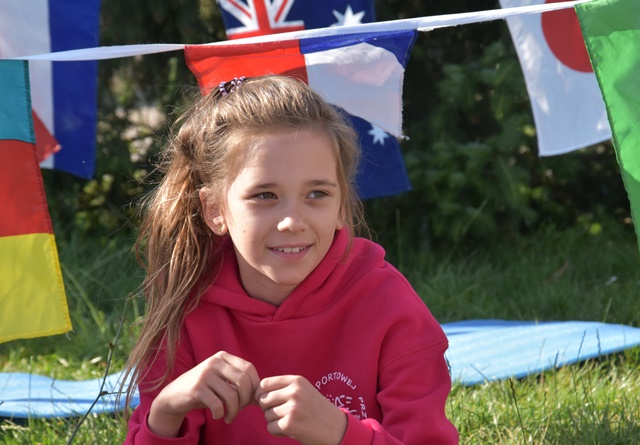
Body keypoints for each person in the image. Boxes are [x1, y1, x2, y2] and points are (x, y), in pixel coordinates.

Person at [122, 74, 459, 444]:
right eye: (265, 196)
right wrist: (167, 411)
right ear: (214, 209)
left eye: (317, 194)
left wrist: (340, 432)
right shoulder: (186, 308)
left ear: (341, 206)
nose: (292, 222)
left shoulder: (390, 306)